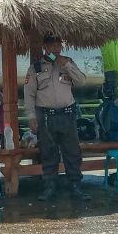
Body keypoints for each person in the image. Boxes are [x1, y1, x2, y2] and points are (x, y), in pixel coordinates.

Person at [24, 35, 89, 201]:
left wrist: (66, 64)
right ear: (45, 46)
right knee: (48, 153)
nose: (56, 48)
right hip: (46, 117)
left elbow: (81, 81)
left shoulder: (68, 62)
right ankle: (49, 188)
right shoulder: (36, 68)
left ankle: (75, 186)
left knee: (72, 153)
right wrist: (31, 117)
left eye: (58, 44)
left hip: (67, 115)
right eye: (52, 45)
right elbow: (29, 95)